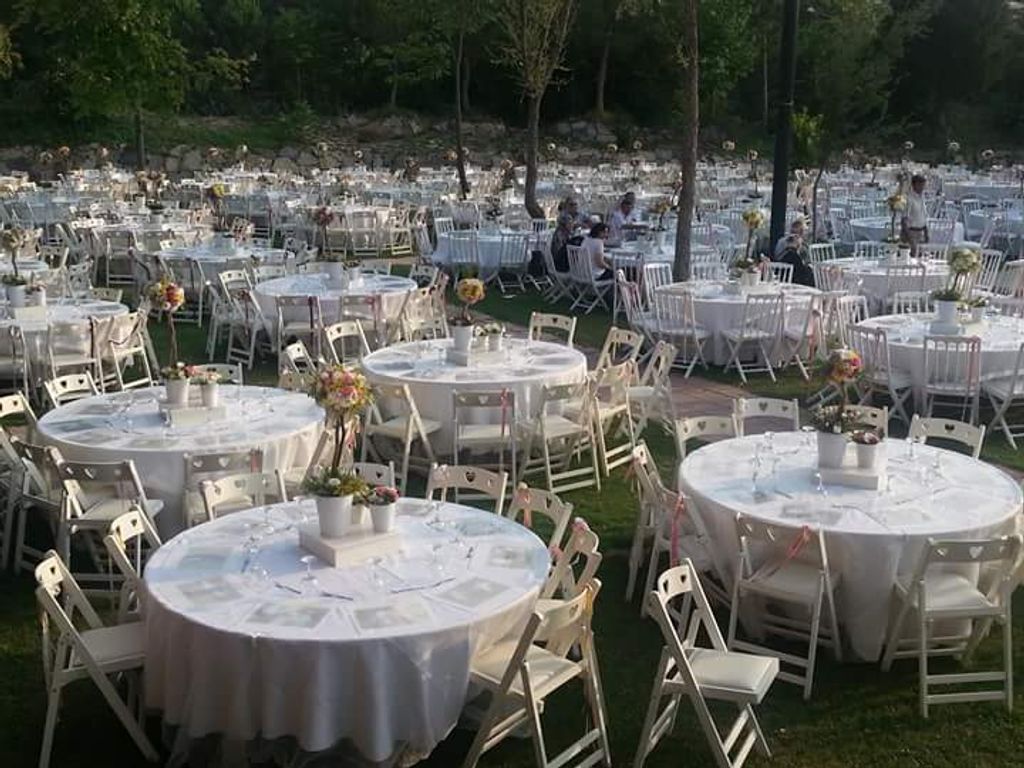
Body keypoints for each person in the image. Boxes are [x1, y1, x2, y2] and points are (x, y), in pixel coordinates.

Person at [772, 218, 815, 287]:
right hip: (788, 274)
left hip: (786, 273)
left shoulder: (782, 240)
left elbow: (806, 261)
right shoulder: (786, 242)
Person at [900, 174, 928, 255]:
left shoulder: (922, 197)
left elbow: (923, 216)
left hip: (920, 232)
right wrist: (910, 239)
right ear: (915, 185)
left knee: (921, 257)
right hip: (911, 232)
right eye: (920, 185)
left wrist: (926, 233)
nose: (922, 187)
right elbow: (904, 220)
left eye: (923, 185)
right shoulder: (909, 199)